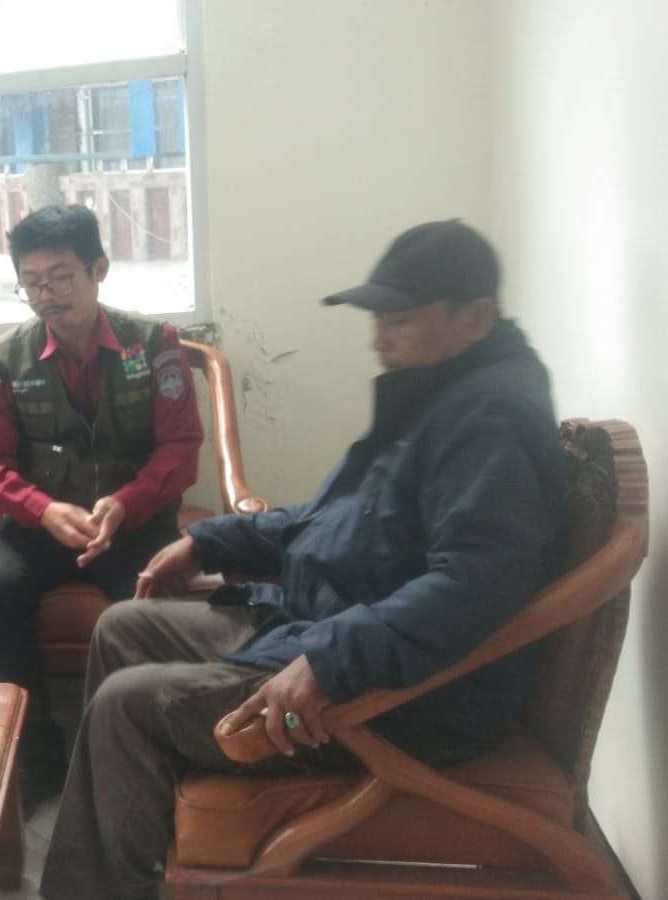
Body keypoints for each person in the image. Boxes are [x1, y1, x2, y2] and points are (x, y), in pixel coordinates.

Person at [40, 220, 572, 899]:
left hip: (402, 693)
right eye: (378, 321)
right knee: (122, 625)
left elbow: (476, 582)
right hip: (332, 624)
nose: (379, 340)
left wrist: (329, 659)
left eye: (400, 322)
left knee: (126, 706)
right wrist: (209, 541)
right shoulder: (438, 392)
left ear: (475, 318)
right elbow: (335, 518)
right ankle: (135, 847)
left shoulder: (490, 419)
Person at [0, 204, 203, 795]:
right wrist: (41, 509)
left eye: (61, 277)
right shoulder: (2, 360)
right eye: (31, 282)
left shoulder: (154, 344)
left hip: (134, 520)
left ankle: (144, 758)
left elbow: (180, 447)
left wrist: (126, 502)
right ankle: (31, 759)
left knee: (150, 601)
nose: (46, 295)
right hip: (41, 523)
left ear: (98, 269)